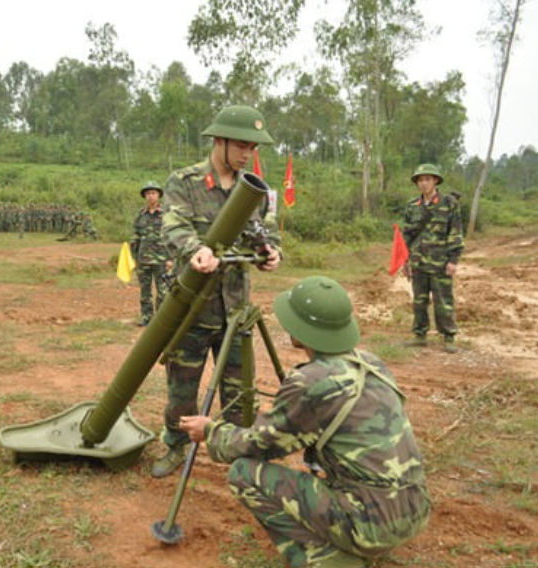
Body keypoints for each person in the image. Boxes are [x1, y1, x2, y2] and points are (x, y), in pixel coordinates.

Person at [179, 276, 431, 568]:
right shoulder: (371, 363)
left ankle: (329, 560)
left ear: (302, 329)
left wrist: (211, 431)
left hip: (372, 523)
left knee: (244, 474)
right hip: (413, 509)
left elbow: (259, 446)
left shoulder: (311, 382)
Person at [151, 105, 282, 478]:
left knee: (240, 391)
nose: (247, 154)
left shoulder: (254, 189)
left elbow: (268, 232)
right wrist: (197, 250)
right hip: (193, 309)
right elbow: (173, 227)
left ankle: (240, 456)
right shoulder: (185, 182)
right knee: (182, 388)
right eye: (241, 145)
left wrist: (271, 253)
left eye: (253, 148)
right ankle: (176, 446)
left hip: (236, 311)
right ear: (219, 141)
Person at [401, 163, 464, 353]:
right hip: (418, 262)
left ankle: (448, 336)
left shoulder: (449, 203)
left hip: (440, 262)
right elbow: (406, 236)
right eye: (420, 180)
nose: (423, 183)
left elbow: (455, 232)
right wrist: (405, 260)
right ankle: (420, 335)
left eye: (427, 179)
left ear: (435, 180)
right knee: (419, 301)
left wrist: (453, 259)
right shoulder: (412, 207)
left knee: (443, 300)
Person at [130, 181, 172, 326]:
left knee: (163, 292)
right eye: (148, 194)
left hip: (162, 259)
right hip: (144, 259)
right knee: (145, 291)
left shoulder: (167, 214)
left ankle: (161, 320)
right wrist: (134, 258)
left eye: (153, 193)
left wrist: (170, 258)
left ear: (159, 195)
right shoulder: (140, 215)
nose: (150, 196)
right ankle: (146, 317)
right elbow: (135, 236)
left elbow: (172, 236)